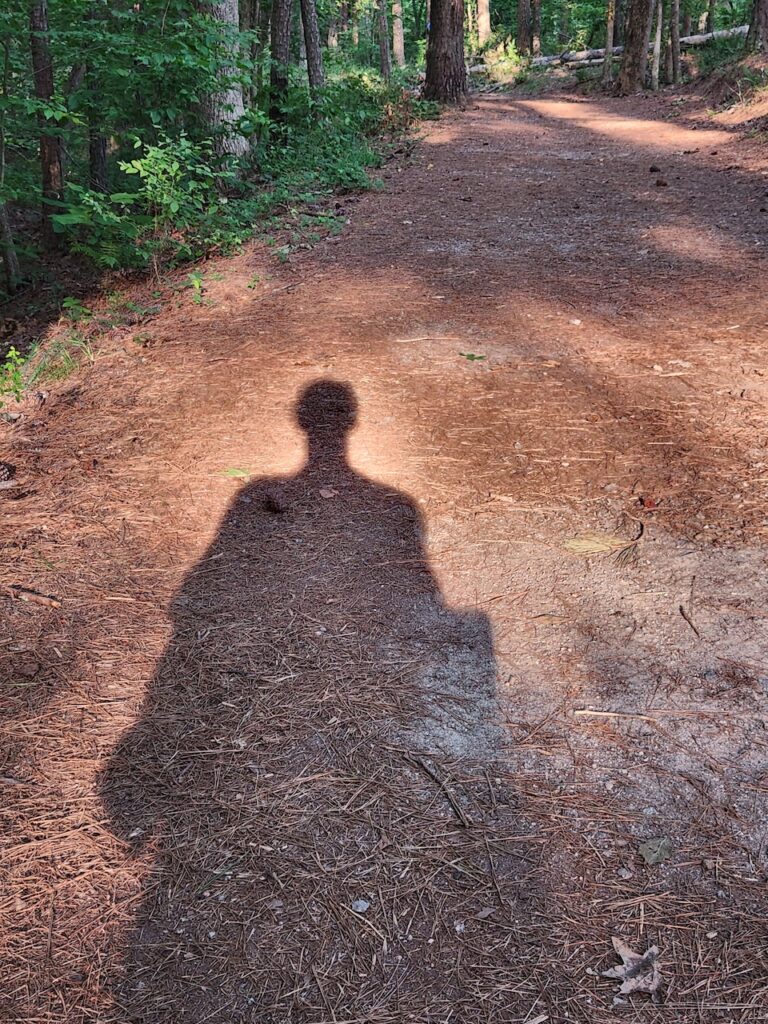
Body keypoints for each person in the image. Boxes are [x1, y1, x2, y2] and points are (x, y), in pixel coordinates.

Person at [101, 380, 501, 1022]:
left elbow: (201, 587)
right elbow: (418, 597)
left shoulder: (267, 497)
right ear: (349, 424)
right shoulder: (390, 506)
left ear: (304, 423)